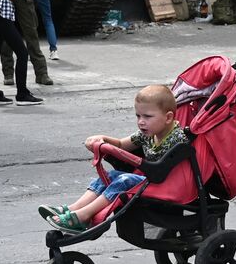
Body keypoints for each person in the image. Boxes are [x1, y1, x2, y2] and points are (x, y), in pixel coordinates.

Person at [39, 85, 188, 232]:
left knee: (124, 180)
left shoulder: (177, 139)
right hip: (149, 178)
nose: (141, 121)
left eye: (147, 116)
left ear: (168, 117)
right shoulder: (148, 133)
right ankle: (73, 208)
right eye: (138, 116)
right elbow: (121, 144)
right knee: (110, 176)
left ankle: (83, 215)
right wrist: (102, 139)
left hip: (166, 185)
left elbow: (169, 169)